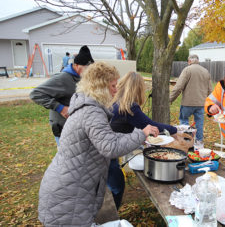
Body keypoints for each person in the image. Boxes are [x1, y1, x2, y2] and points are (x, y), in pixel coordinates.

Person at [38, 62, 159, 226]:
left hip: (70, 188)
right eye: (113, 85)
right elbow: (110, 147)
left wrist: (136, 137)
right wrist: (140, 133)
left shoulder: (87, 106)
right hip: (68, 195)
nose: (116, 90)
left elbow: (105, 137)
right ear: (100, 87)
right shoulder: (91, 112)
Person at [108, 71, 178, 209]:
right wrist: (176, 130)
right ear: (138, 89)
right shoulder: (129, 106)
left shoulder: (117, 102)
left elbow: (119, 129)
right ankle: (110, 217)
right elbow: (151, 125)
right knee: (117, 186)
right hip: (106, 155)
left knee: (115, 183)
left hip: (107, 150)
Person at [30, 45, 95, 146]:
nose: (89, 71)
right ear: (76, 65)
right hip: (62, 127)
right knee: (66, 159)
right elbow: (36, 94)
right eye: (86, 68)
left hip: (77, 128)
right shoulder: (62, 78)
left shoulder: (82, 78)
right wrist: (60, 108)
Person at [170, 54, 212, 146]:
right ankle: (199, 143)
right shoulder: (205, 71)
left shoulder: (187, 70)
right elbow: (210, 90)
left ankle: (186, 142)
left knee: (184, 121)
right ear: (198, 61)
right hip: (201, 103)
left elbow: (178, 87)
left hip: (187, 103)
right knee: (199, 123)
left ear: (189, 61)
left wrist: (170, 98)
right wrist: (211, 105)